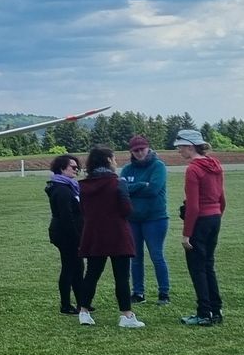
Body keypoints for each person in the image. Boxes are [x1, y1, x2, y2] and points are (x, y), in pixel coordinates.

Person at [77, 146, 144, 328]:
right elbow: (126, 209)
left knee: (91, 274)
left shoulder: (84, 185)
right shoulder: (117, 183)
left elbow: (83, 211)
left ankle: (83, 312)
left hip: (94, 234)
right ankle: (126, 315)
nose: (116, 162)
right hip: (117, 234)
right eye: (114, 159)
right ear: (108, 160)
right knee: (121, 276)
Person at [172, 130, 225, 327]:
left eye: (180, 147)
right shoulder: (215, 165)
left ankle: (204, 312)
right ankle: (216, 309)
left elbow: (193, 206)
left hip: (200, 221)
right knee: (208, 265)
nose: (178, 150)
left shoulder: (193, 169)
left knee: (197, 268)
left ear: (190, 146)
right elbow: (222, 197)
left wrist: (186, 234)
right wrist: (217, 216)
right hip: (214, 217)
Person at [119, 134, 171, 306]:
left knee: (156, 256)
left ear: (148, 148)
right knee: (136, 257)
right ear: (131, 152)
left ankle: (164, 293)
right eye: (135, 151)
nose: (139, 153)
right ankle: (138, 292)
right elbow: (122, 190)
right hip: (133, 219)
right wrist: (142, 185)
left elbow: (154, 189)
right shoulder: (127, 169)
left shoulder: (158, 166)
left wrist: (133, 188)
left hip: (155, 218)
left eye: (141, 149)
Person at [45, 153, 83, 315]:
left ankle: (82, 302)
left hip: (66, 232)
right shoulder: (61, 190)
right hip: (65, 234)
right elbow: (67, 217)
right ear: (62, 168)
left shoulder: (66, 186)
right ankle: (66, 305)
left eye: (77, 167)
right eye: (73, 167)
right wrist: (77, 238)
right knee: (69, 267)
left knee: (77, 267)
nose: (76, 170)